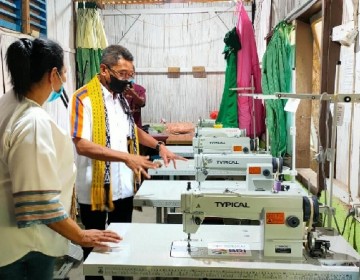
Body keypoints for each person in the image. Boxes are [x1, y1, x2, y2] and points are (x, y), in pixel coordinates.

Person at [0, 38, 121, 280]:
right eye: (64, 72)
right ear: (52, 74)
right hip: (27, 246)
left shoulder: (8, 104)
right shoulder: (34, 123)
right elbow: (38, 202)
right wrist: (81, 235)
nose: (65, 79)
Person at [69, 44, 185, 280]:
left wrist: (160, 146)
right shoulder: (83, 98)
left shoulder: (120, 98)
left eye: (130, 75)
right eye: (122, 74)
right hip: (95, 189)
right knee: (95, 252)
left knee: (122, 246)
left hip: (122, 187)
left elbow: (132, 130)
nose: (127, 80)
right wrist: (126, 156)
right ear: (104, 70)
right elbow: (81, 145)